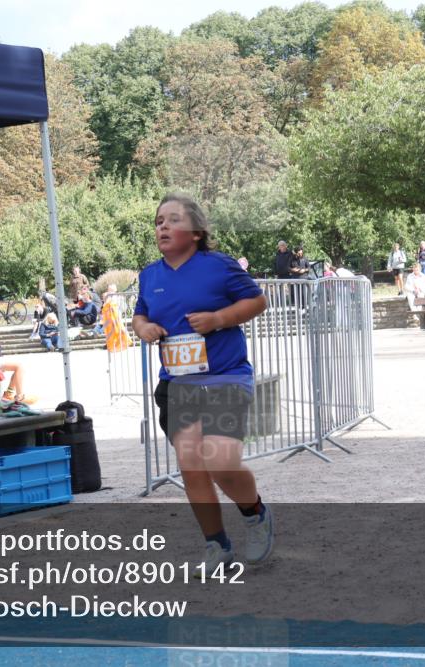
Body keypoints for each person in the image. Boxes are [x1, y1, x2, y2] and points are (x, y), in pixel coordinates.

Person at [132, 193, 272, 570]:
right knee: (192, 466)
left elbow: (257, 303)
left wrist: (219, 319)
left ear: (195, 231)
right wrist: (144, 328)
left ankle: (254, 513)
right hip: (179, 384)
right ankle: (217, 546)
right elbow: (140, 315)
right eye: (159, 221)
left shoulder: (220, 266)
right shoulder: (150, 275)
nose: (162, 226)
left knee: (221, 461)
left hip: (225, 376)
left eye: (172, 220)